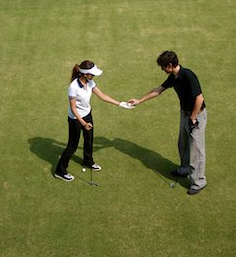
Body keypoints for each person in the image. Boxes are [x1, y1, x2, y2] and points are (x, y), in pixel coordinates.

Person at [128, 51, 207, 195]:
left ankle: (199, 182)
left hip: (197, 115)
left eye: (163, 67)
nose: (162, 70)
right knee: (182, 143)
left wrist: (193, 118)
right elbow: (158, 90)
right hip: (185, 114)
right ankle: (184, 169)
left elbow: (199, 99)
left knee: (196, 149)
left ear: (170, 65)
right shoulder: (173, 77)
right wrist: (139, 100)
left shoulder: (188, 75)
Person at [54, 60, 126, 182]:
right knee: (72, 146)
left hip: (87, 115)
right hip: (76, 119)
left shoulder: (90, 82)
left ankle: (88, 162)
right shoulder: (73, 87)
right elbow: (73, 108)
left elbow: (102, 96)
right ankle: (60, 171)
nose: (94, 76)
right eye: (92, 74)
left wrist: (120, 104)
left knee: (89, 140)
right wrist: (84, 123)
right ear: (85, 74)